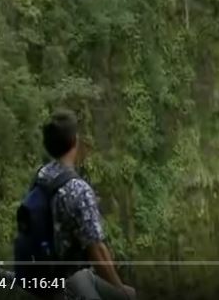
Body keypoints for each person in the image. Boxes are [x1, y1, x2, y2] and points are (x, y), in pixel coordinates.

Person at [37, 109, 137, 300]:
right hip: (69, 277)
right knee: (126, 295)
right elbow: (97, 251)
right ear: (75, 141)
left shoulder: (42, 175)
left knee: (131, 294)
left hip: (45, 272)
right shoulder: (78, 190)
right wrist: (118, 287)